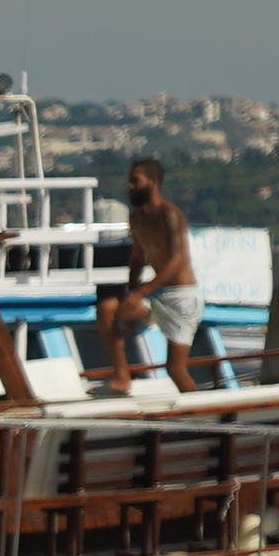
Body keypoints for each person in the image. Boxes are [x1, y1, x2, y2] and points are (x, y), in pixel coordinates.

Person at [95, 158, 208, 394]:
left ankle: (203, 415)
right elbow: (137, 258)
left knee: (175, 369)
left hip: (182, 299)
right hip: (157, 295)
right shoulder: (137, 219)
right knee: (108, 308)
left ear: (154, 182)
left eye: (135, 181)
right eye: (129, 181)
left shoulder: (170, 215)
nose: (130, 186)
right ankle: (121, 376)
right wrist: (131, 295)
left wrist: (141, 293)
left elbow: (176, 262)